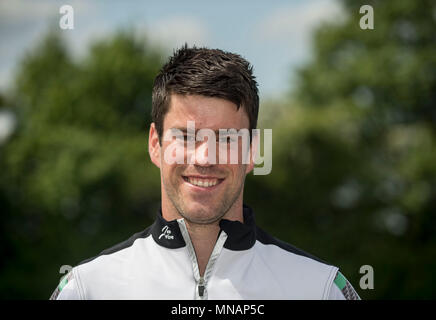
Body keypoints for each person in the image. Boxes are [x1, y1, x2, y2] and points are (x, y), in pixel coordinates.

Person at [50, 45, 360, 300]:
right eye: (186, 137)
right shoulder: (87, 289)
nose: (205, 157)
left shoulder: (319, 290)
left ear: (252, 151)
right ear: (155, 145)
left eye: (226, 138)